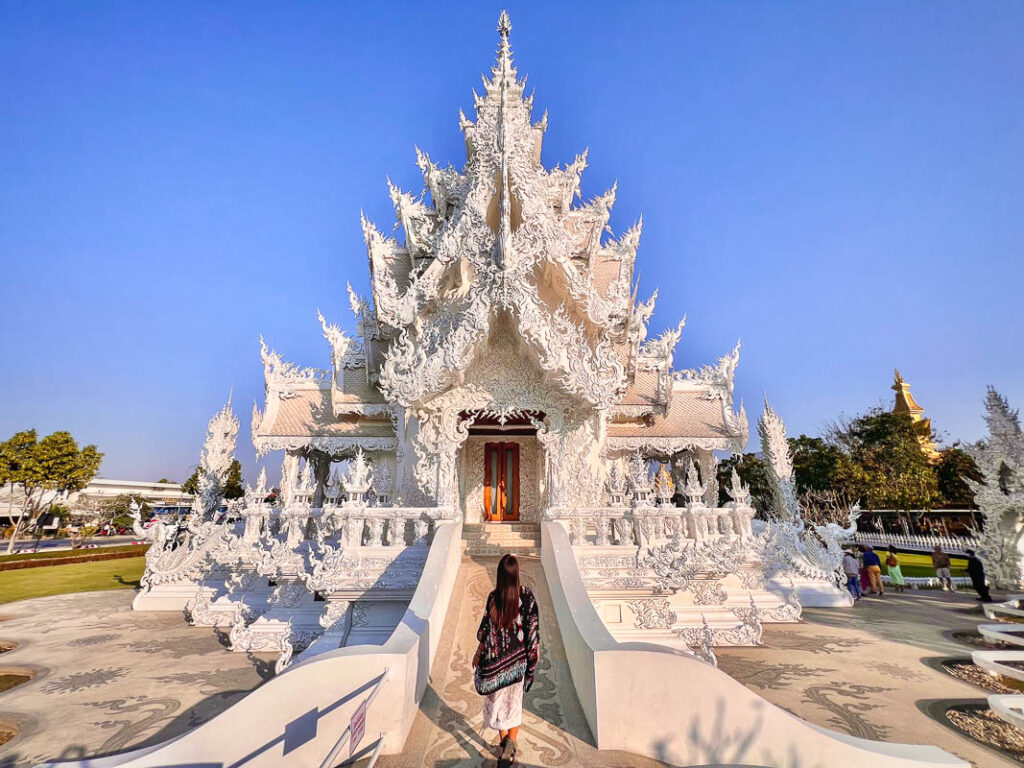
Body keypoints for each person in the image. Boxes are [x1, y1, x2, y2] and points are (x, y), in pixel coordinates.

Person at [472, 554, 540, 766]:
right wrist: (531, 667)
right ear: (517, 575)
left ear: (500, 576)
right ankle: (511, 742)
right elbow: (533, 636)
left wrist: (478, 652)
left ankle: (505, 744)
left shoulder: (494, 598)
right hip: (517, 666)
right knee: (514, 706)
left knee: (499, 708)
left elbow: (485, 630)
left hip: (496, 666)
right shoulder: (527, 599)